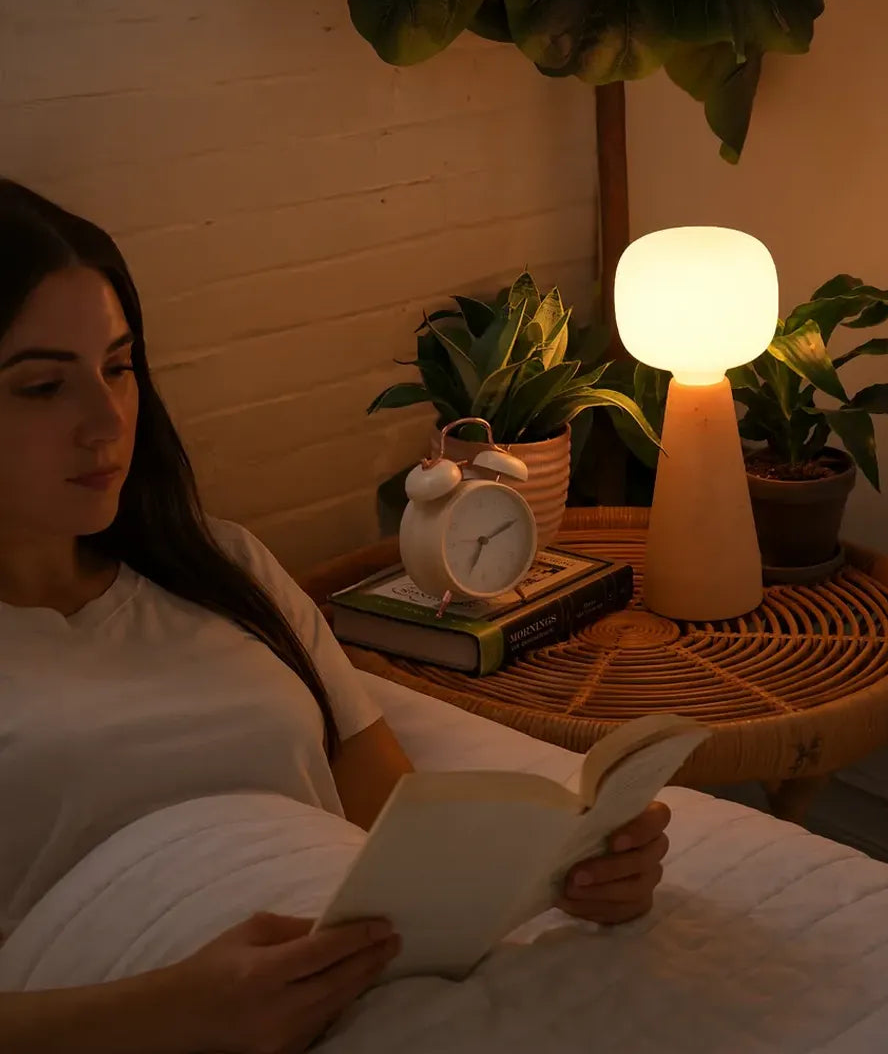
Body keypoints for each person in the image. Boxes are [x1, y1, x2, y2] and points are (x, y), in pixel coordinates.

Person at [0, 180, 672, 1054]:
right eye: (43, 386)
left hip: (381, 987)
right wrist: (169, 1013)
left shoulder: (221, 565)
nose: (106, 422)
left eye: (120, 368)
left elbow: (398, 823)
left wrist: (569, 871)